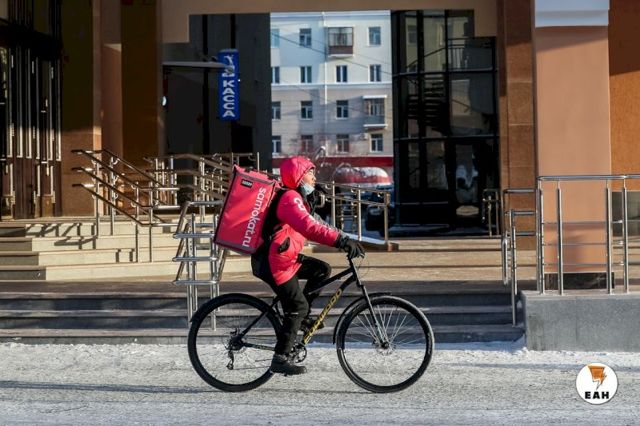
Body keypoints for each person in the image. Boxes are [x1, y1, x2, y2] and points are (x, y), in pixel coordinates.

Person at [251, 156, 364, 376]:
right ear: (299, 176)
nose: (314, 177)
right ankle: (280, 358)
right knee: (297, 307)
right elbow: (309, 227)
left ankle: (301, 320)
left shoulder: (299, 199)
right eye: (311, 173)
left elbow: (318, 223)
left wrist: (345, 238)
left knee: (321, 270)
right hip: (274, 263)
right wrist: (340, 242)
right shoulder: (289, 198)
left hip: (285, 258)